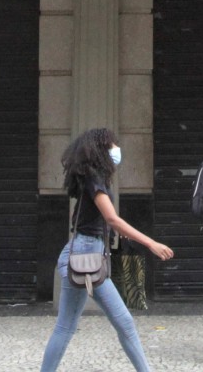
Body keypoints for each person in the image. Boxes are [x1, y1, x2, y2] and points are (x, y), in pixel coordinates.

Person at [40, 126, 173, 372]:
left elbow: (106, 223)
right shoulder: (94, 180)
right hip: (84, 256)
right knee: (111, 323)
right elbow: (112, 219)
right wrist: (151, 243)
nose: (117, 149)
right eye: (113, 144)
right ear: (102, 148)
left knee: (82, 326)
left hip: (86, 254)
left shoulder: (94, 178)